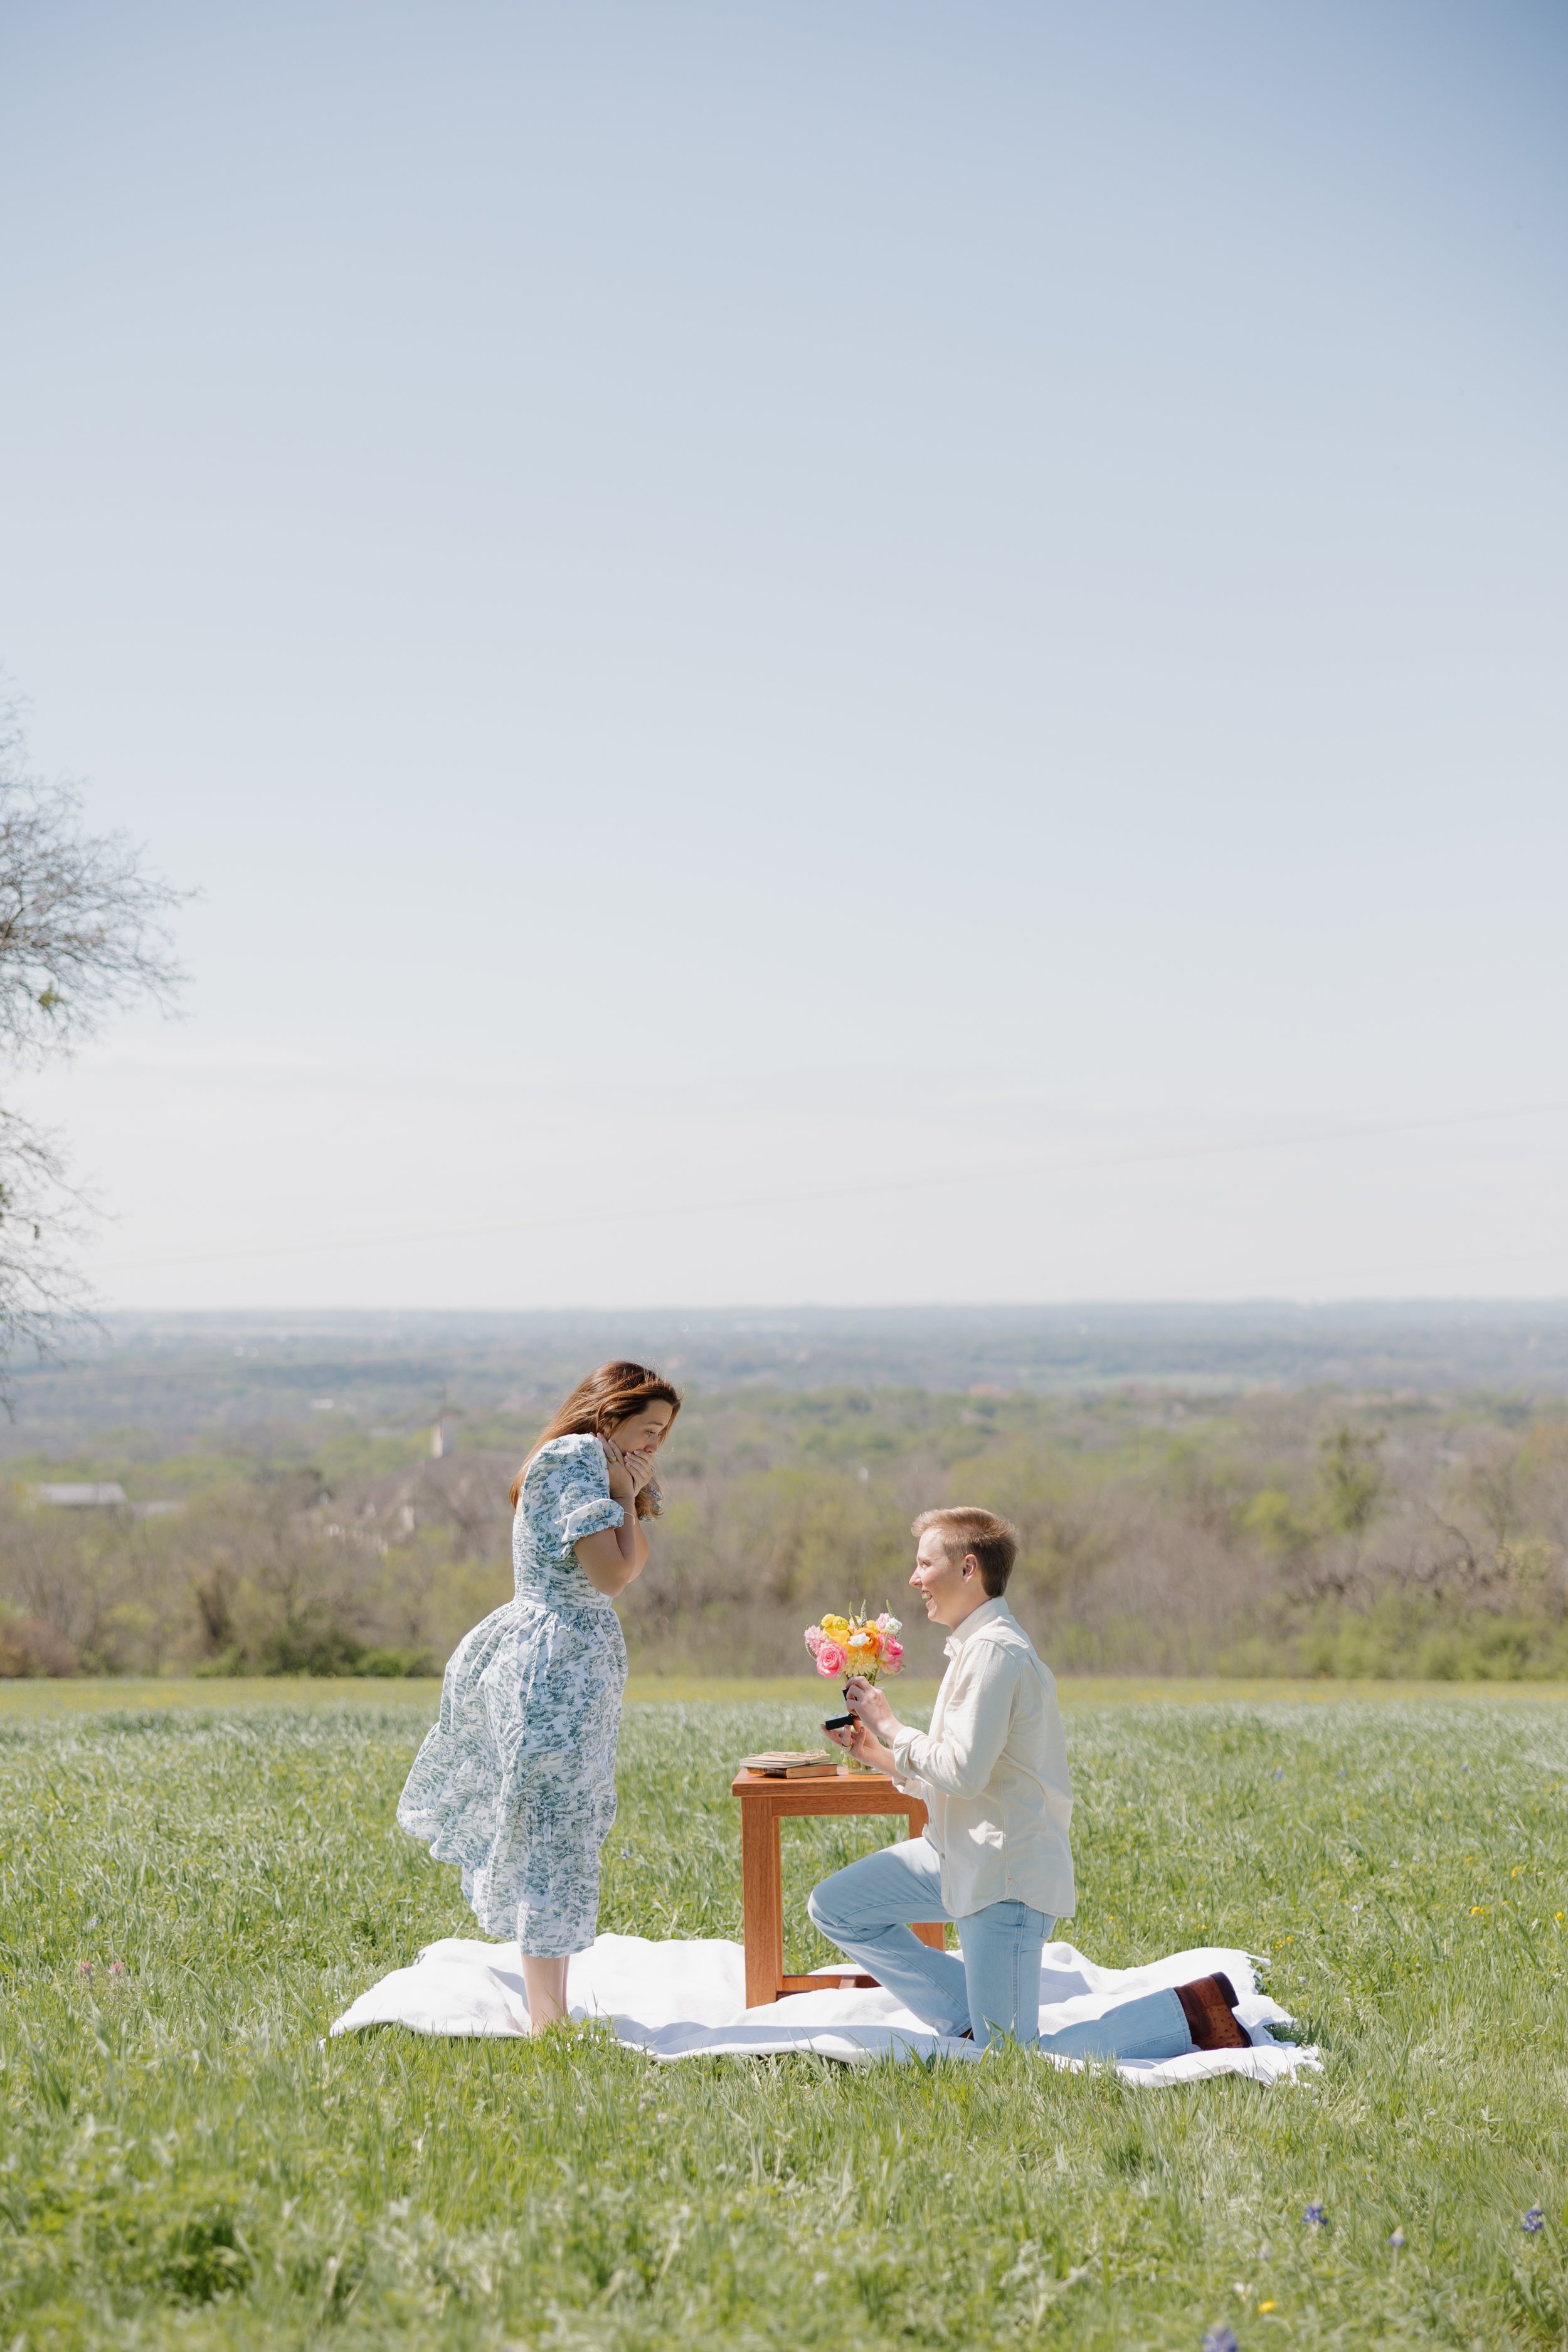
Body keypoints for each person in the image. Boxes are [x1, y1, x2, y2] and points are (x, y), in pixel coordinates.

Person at [808, 1507, 1248, 2057]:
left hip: (1004, 1878)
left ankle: (1189, 2012)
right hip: (960, 1856)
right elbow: (960, 1775)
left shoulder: (996, 1652)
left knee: (1012, 2060)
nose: (914, 1579)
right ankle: (968, 2017)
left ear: (969, 1569)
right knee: (836, 1907)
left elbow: (963, 1775)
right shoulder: (977, 1646)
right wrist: (877, 1752)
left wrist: (891, 1725)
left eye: (924, 1564)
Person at [397, 1360, 681, 2032]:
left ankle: (551, 2010)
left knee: (564, 1829)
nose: (653, 1446)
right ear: (609, 1414)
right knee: (548, 1831)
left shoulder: (600, 1466)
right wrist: (618, 1489)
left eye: (664, 1435)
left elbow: (627, 1565)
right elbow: (610, 1575)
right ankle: (547, 2019)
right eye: (648, 1428)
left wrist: (625, 1497)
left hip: (578, 1657)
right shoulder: (573, 1460)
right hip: (551, 1664)